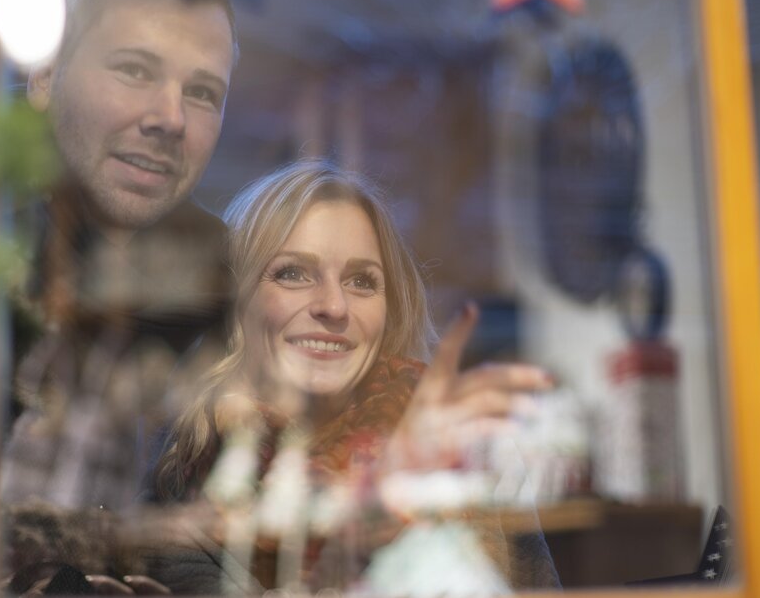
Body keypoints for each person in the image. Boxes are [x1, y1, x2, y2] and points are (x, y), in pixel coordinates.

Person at [144, 159, 561, 593]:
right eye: (292, 273)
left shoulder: (465, 449)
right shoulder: (186, 455)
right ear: (234, 302)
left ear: (390, 308)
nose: (334, 306)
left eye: (362, 281)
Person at [0, 0, 239, 591]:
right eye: (135, 69)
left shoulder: (223, 286)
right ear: (45, 75)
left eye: (203, 92)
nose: (171, 118)